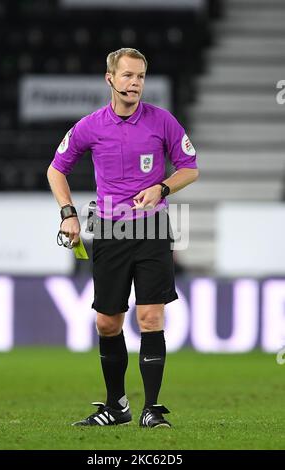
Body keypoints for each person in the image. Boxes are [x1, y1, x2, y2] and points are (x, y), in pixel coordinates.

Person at [47, 48, 199, 428]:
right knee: (107, 324)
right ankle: (117, 407)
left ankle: (151, 409)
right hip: (111, 229)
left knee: (150, 316)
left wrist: (163, 188)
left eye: (141, 76)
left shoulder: (162, 121)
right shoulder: (89, 126)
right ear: (110, 79)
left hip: (151, 228)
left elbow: (190, 168)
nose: (135, 83)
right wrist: (68, 213)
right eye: (128, 75)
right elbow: (56, 170)